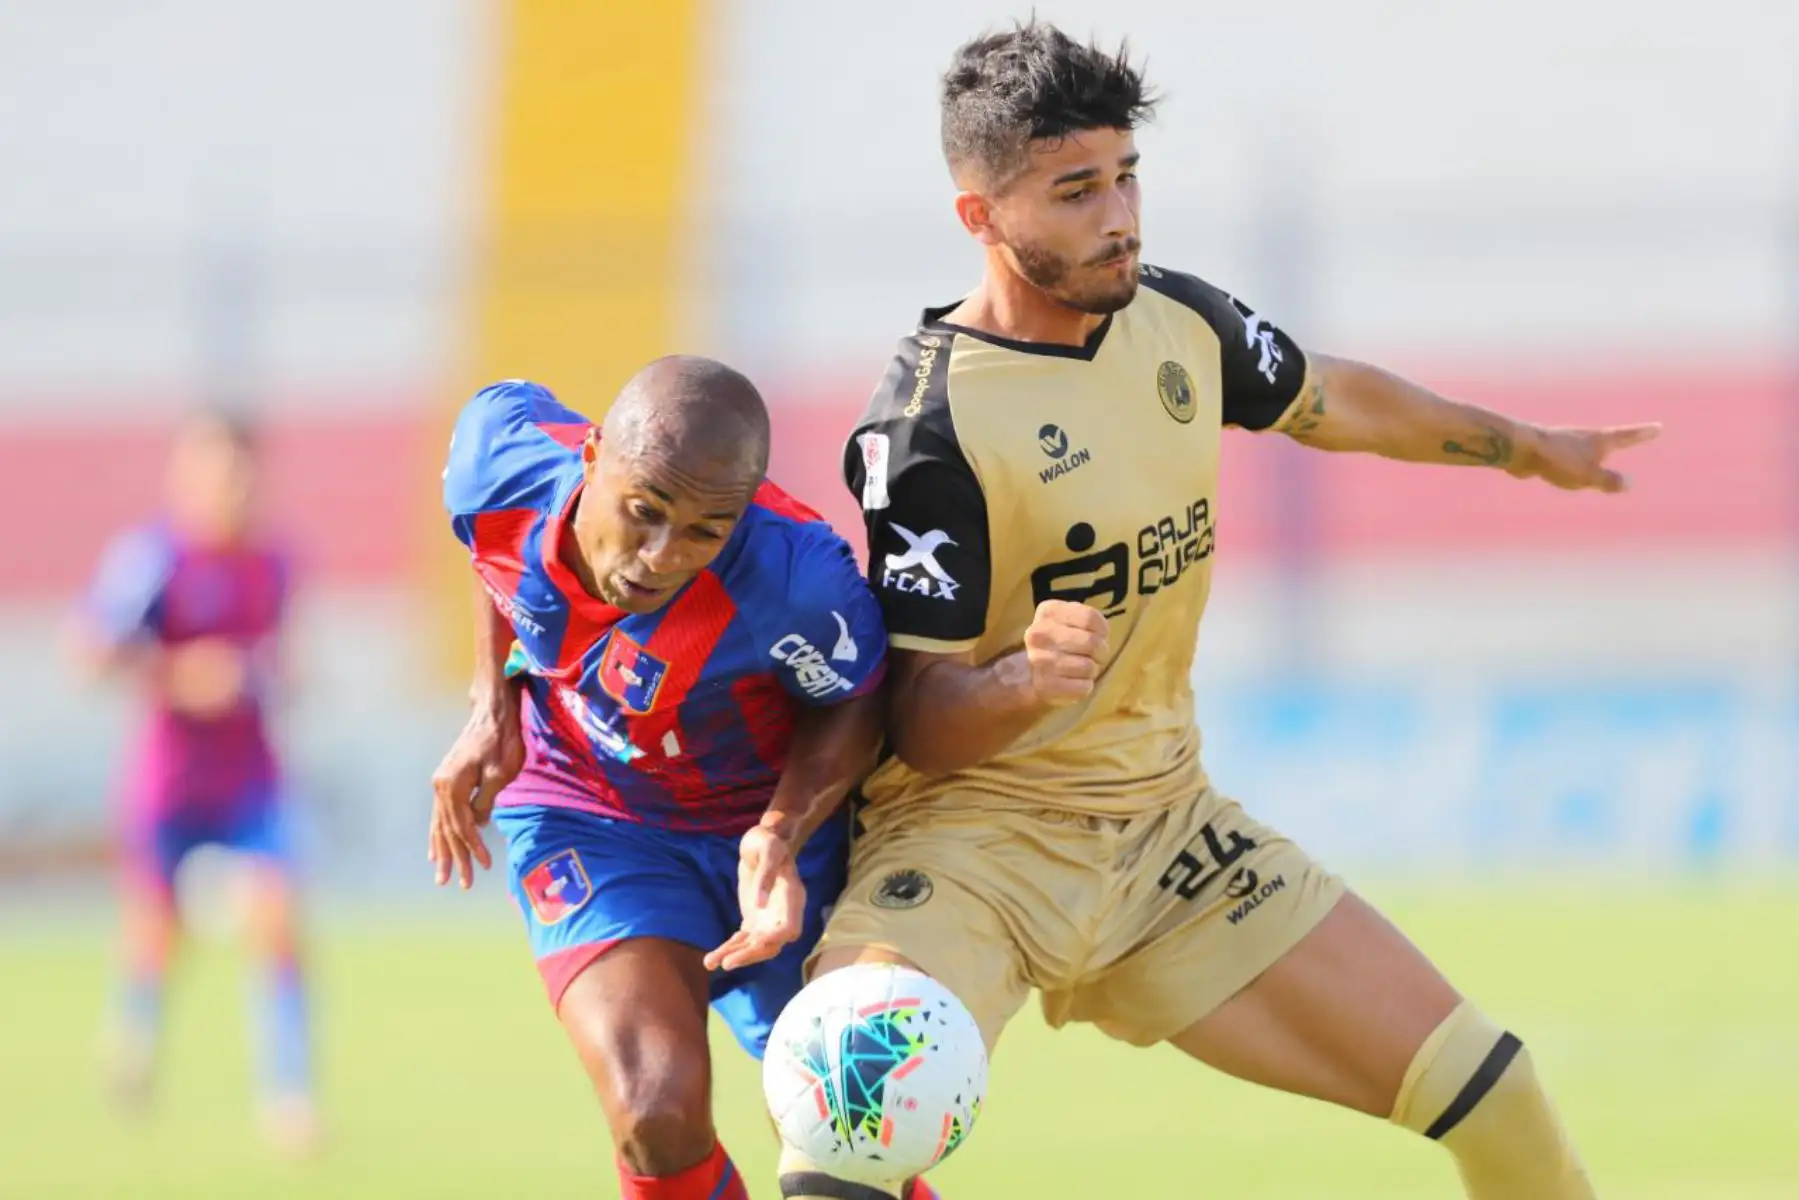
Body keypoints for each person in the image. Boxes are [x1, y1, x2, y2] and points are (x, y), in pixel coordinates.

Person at [786, 20, 1661, 1200]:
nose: (1121, 216)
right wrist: (1015, 684)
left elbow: (1333, 394)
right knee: (845, 1128)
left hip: (1169, 842)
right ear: (982, 219)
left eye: (1127, 175)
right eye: (1077, 191)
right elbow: (916, 718)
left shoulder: (1176, 322)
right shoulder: (927, 430)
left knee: (1496, 1096)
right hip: (973, 848)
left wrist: (1522, 448)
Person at [429, 357, 904, 1200]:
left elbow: (858, 704)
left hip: (765, 841)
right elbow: (483, 543)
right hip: (589, 808)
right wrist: (489, 699)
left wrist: (780, 833)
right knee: (654, 1107)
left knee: (846, 1128)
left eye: (702, 533)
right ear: (592, 456)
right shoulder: (497, 455)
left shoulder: (796, 578)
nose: (659, 556)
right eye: (644, 513)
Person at [69, 409, 318, 1155]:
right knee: (157, 927)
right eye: (218, 470)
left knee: (277, 924)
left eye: (244, 472)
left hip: (251, 780)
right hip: (169, 779)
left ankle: (289, 1096)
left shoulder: (274, 560)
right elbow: (89, 653)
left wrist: (279, 676)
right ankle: (134, 1033)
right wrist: (184, 675)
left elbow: (281, 658)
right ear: (188, 474)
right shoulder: (152, 557)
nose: (233, 487)